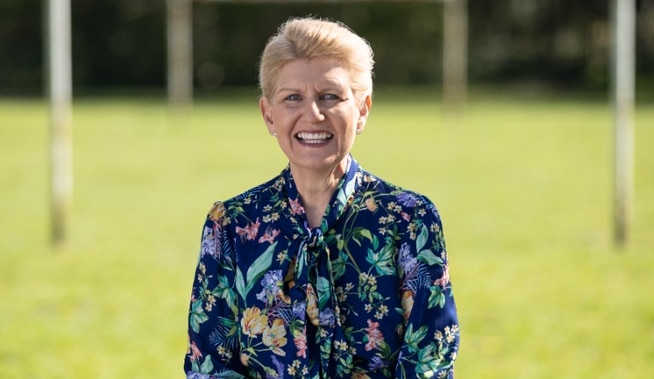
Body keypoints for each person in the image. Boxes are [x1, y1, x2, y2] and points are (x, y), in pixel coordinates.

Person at [184, 17, 459, 379]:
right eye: (292, 98)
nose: (312, 114)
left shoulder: (410, 219)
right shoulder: (231, 224)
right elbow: (209, 366)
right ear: (268, 115)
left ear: (362, 110)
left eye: (330, 96)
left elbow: (430, 364)